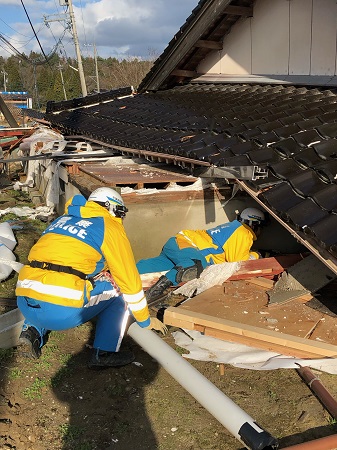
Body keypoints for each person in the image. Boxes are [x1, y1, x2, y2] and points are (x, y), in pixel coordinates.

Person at [16, 187, 166, 369]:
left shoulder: (62, 220)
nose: (122, 220)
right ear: (114, 209)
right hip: (61, 312)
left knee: (47, 276)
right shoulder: (109, 226)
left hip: (25, 302)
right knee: (119, 292)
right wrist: (145, 320)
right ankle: (104, 352)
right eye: (121, 214)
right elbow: (129, 281)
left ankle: (31, 332)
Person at [137, 207, 266, 303]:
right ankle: (155, 293)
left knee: (157, 267)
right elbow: (238, 263)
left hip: (179, 245)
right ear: (255, 225)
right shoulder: (243, 233)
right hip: (187, 246)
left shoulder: (234, 228)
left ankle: (120, 274)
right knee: (197, 264)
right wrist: (257, 255)